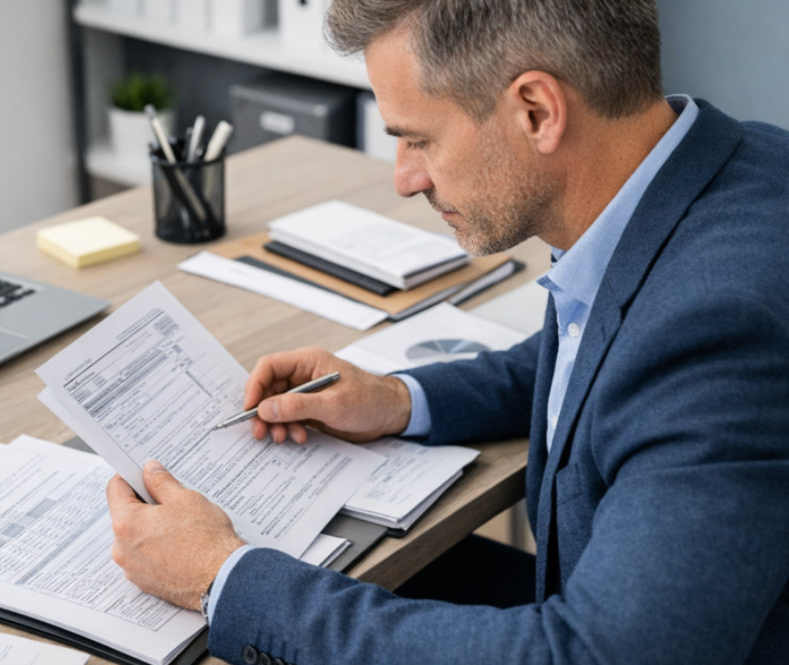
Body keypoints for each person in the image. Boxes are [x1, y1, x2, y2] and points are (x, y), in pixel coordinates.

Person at [104, 0, 789, 662]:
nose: (404, 178)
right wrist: (400, 399)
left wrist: (219, 574)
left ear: (536, 110)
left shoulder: (718, 329)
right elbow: (606, 354)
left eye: (417, 138)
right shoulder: (721, 168)